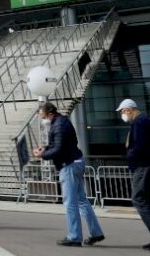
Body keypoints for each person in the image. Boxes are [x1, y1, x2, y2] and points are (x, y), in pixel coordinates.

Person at [32, 103, 104, 246]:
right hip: (76, 162)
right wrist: (45, 148)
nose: (42, 119)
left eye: (43, 116)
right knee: (82, 201)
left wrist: (42, 155)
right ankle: (96, 233)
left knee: (70, 202)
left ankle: (74, 237)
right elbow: (58, 144)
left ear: (50, 113)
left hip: (69, 165)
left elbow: (58, 149)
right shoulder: (61, 122)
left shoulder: (58, 125)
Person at [118, 98, 150, 253]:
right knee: (147, 201)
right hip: (149, 166)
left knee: (139, 199)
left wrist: (130, 156)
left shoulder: (140, 122)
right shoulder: (143, 121)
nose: (122, 114)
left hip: (144, 167)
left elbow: (140, 145)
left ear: (129, 109)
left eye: (122, 111)